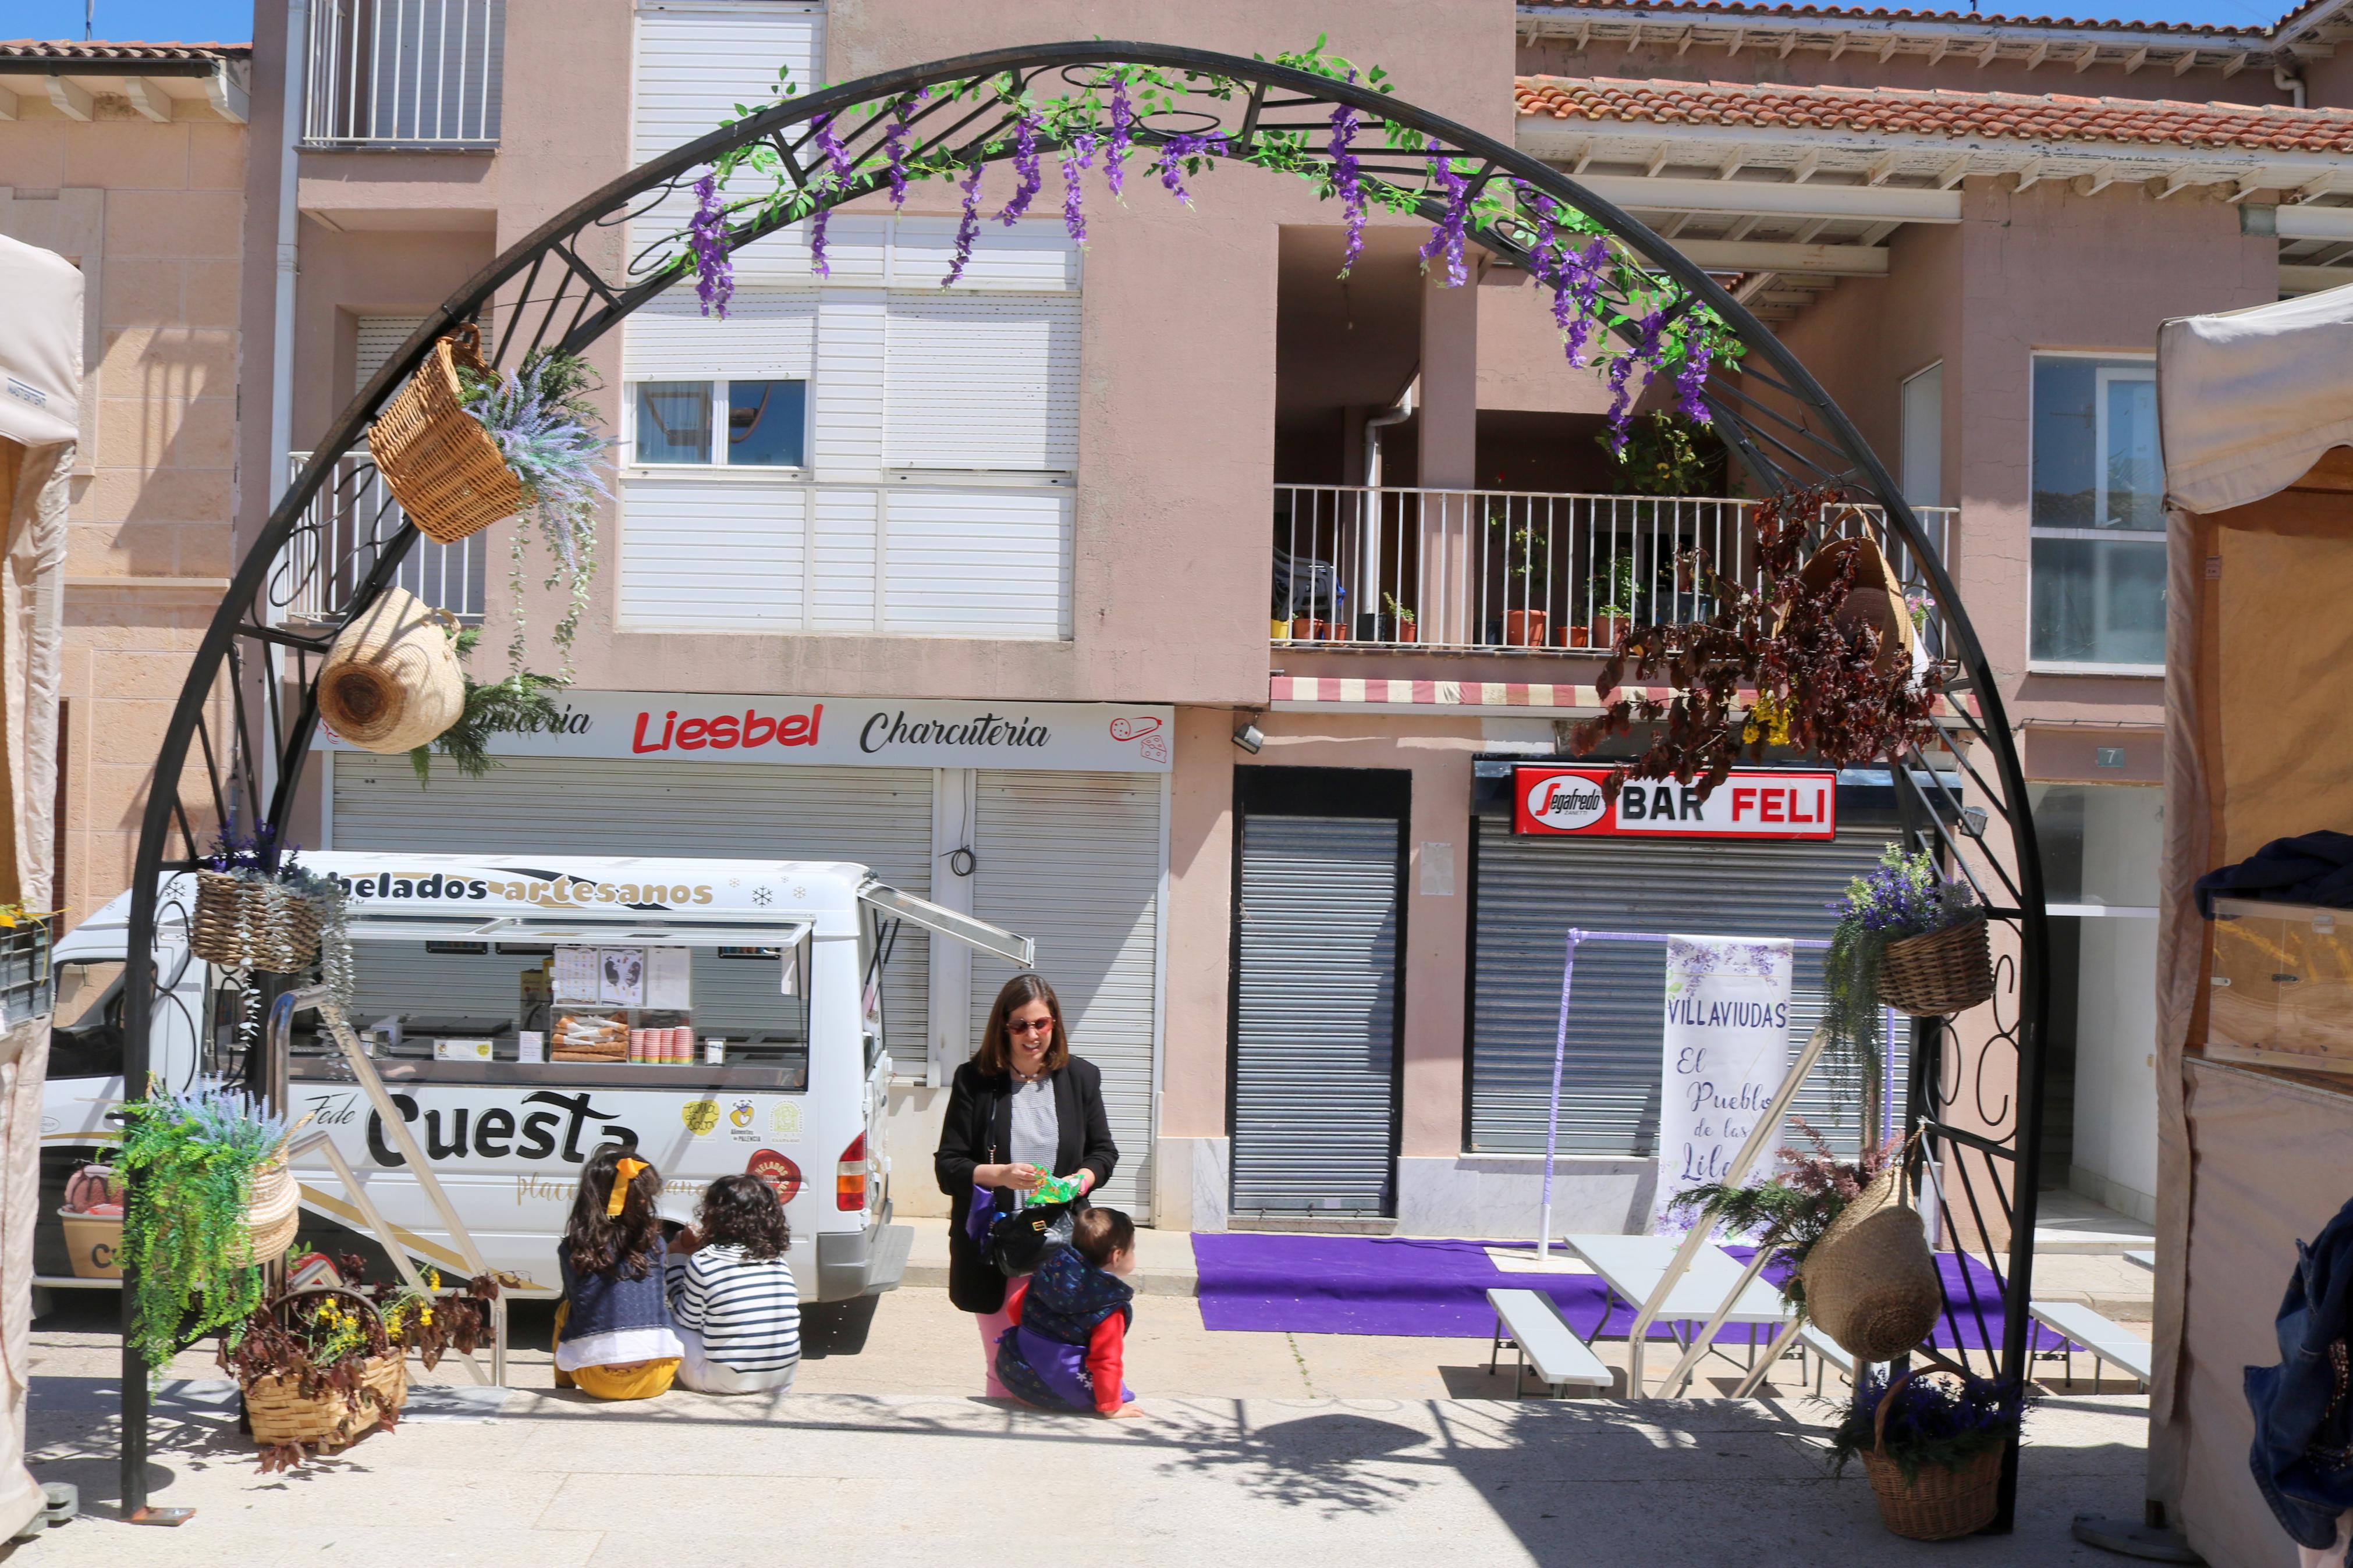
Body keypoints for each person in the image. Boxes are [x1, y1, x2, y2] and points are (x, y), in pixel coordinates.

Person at [934, 972, 1119, 1398]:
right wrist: (998, 1174)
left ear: (1055, 1023)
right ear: (1003, 1027)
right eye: (1019, 1025)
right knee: (1004, 1369)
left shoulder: (1081, 1078)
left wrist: (1079, 1181)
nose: (1031, 1035)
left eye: (1041, 1023)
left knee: (1056, 1364)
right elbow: (948, 1166)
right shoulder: (974, 1080)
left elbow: (1104, 1153)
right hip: (996, 1248)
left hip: (1059, 1245)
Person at [553, 1144, 683, 1399]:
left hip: (596, 1382)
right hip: (655, 1379)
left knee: (564, 1311)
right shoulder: (656, 1244)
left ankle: (563, 1384)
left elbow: (579, 1303)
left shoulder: (571, 1249)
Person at [995, 1206, 1145, 1418]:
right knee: (1112, 1387)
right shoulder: (1110, 1306)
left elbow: (1015, 1306)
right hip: (1056, 1393)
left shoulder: (1049, 1270)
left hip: (1016, 1375)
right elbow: (1105, 1361)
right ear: (1117, 1256)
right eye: (1133, 1248)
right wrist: (1112, 1407)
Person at [666, 1173, 802, 1395]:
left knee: (667, 1320)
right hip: (782, 1379)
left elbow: (686, 1320)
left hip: (726, 1381)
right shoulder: (777, 1261)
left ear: (713, 1215)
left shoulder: (705, 1261)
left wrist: (679, 1258)